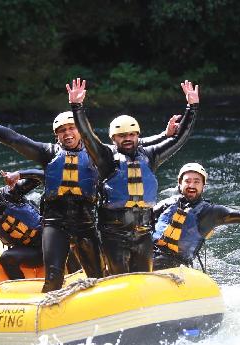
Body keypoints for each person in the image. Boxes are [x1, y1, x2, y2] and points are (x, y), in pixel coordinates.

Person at [0, 97, 104, 292]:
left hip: (84, 222)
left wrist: (20, 175)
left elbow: (44, 178)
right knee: (48, 277)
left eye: (71, 128)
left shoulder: (98, 154)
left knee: (99, 276)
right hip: (54, 229)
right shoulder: (49, 153)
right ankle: (25, 292)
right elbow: (13, 139)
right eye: (62, 130)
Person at [67, 78, 199, 275]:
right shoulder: (106, 158)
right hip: (113, 234)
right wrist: (77, 106)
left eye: (132, 135)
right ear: (113, 139)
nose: (127, 139)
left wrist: (192, 107)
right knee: (121, 278)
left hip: (144, 233)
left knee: (144, 277)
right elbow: (87, 136)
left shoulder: (151, 155)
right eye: (122, 136)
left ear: (138, 136)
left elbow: (180, 138)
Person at [152, 163, 240, 270]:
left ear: (203, 186)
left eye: (197, 182)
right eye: (187, 181)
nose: (192, 185)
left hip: (176, 265)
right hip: (149, 255)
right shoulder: (166, 204)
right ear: (179, 184)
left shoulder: (212, 213)